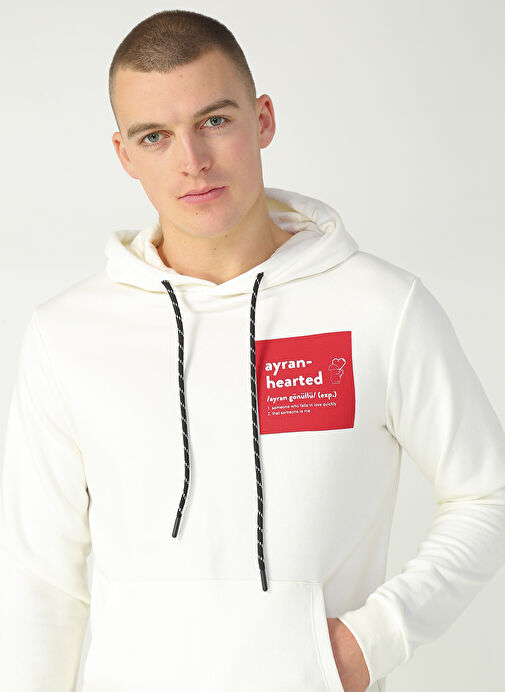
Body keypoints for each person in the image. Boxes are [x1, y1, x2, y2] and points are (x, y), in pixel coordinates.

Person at [1, 9, 504, 692]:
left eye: (214, 121)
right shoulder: (67, 334)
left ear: (262, 119)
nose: (192, 161)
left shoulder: (380, 308)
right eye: (155, 136)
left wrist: (372, 640)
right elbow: (39, 577)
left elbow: (487, 492)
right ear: (125, 154)